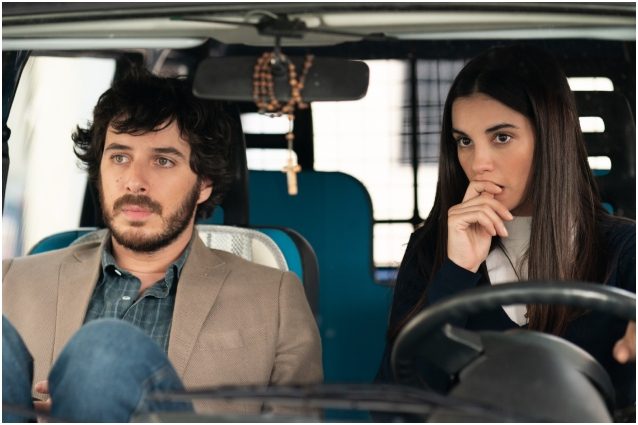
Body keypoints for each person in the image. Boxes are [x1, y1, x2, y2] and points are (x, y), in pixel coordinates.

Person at [2, 66, 322, 422]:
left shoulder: (274, 298)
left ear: (204, 184)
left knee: (103, 351)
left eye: (163, 161)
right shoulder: (12, 280)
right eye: (120, 157)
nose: (134, 181)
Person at [376, 45, 635, 412]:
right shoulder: (432, 248)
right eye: (464, 141)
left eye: (501, 137)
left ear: (551, 137)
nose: (478, 163)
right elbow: (391, 408)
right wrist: (456, 271)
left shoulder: (625, 249)